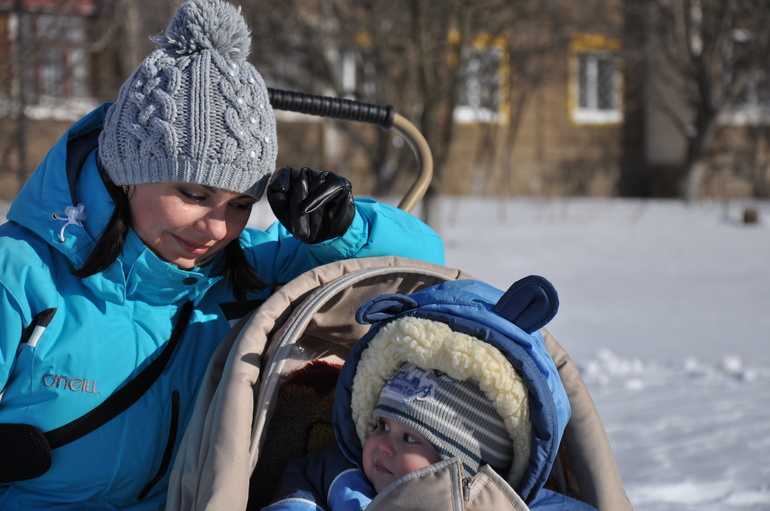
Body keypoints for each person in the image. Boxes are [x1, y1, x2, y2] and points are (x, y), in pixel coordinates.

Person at [0, 0, 443, 508]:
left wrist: (342, 230)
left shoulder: (245, 267)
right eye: (193, 193)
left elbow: (418, 268)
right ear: (126, 174)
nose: (216, 227)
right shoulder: (20, 274)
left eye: (239, 204)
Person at [263, 277, 598, 510]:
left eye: (410, 438)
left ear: (470, 465)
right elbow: (297, 491)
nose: (383, 446)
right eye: (381, 426)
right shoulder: (339, 477)